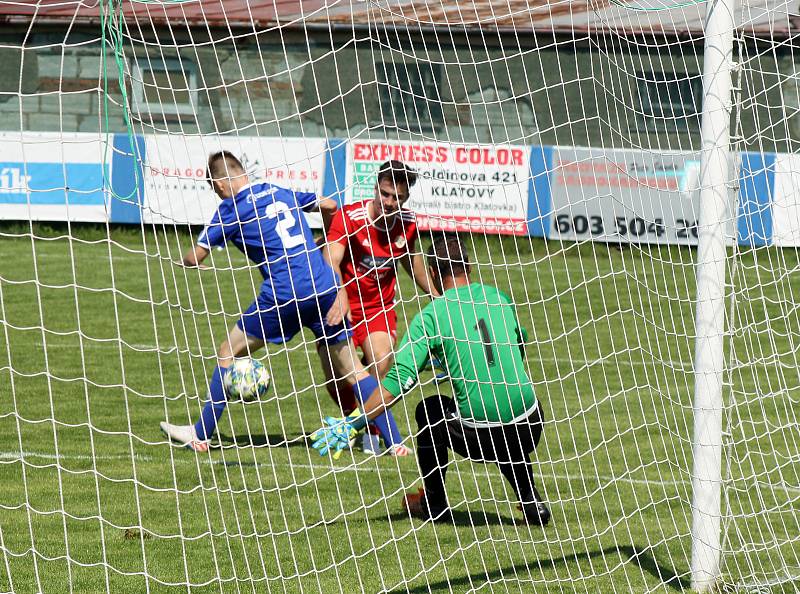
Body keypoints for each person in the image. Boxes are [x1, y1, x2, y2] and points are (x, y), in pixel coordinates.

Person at [159, 150, 392, 452]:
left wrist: (186, 262)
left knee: (228, 350)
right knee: (353, 369)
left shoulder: (231, 208)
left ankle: (201, 435)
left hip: (284, 294)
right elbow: (331, 205)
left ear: (218, 185)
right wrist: (323, 241)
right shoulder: (278, 191)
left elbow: (195, 255)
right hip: (322, 286)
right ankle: (395, 442)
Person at [310, 234, 551, 526]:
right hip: (532, 422)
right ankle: (532, 502)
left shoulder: (432, 315)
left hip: (485, 436)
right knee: (500, 410)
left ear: (433, 273)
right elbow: (517, 347)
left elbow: (395, 385)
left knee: (430, 411)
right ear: (469, 267)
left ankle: (433, 504)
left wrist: (354, 423)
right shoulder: (497, 297)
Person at [322, 160, 438, 455]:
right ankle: (355, 427)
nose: (389, 202)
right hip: (341, 307)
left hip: (378, 309)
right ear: (375, 189)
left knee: (382, 361)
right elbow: (330, 259)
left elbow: (412, 263)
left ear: (405, 198)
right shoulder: (351, 217)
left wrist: (438, 297)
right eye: (385, 194)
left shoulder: (408, 225)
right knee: (337, 382)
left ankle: (372, 433)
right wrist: (340, 294)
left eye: (396, 198)